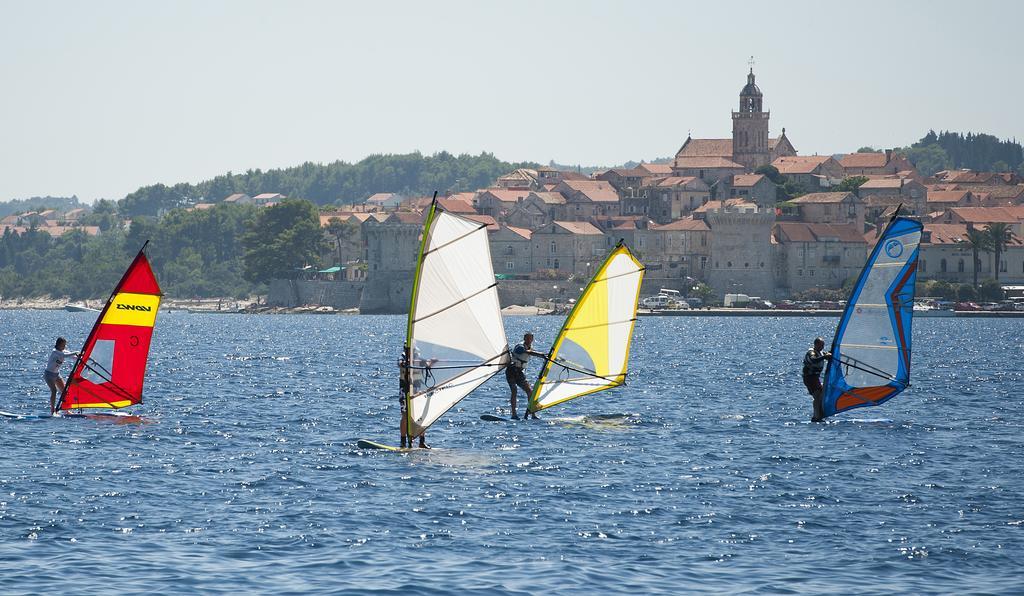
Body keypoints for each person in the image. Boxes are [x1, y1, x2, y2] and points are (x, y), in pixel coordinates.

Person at [398, 346, 431, 449]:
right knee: (405, 415)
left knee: (422, 416)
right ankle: (403, 442)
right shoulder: (402, 358)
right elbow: (400, 363)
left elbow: (427, 364)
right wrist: (408, 362)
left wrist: (432, 362)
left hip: (417, 390)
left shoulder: (419, 358)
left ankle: (422, 441)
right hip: (405, 390)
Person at [507, 332, 545, 420]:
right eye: (527, 338)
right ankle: (514, 415)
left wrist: (544, 356)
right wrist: (540, 355)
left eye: (530, 339)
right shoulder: (519, 346)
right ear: (524, 339)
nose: (528, 340)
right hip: (511, 371)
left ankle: (533, 414)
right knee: (514, 391)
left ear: (532, 339)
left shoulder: (530, 347)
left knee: (530, 392)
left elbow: (530, 352)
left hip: (519, 373)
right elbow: (525, 352)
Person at [44, 337, 78, 415]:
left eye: (65, 345)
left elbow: (74, 357)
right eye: (63, 345)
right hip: (49, 374)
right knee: (54, 390)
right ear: (58, 345)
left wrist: (86, 358)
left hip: (57, 374)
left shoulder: (63, 351)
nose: (64, 346)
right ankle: (52, 411)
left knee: (64, 391)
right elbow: (65, 355)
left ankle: (66, 410)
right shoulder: (55, 352)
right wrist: (76, 352)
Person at [802, 337, 832, 422]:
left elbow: (826, 355)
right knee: (817, 396)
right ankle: (816, 417)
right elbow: (813, 360)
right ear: (816, 344)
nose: (822, 347)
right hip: (809, 378)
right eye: (821, 345)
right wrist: (824, 357)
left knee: (822, 394)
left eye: (823, 345)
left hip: (815, 378)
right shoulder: (811, 353)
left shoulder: (821, 353)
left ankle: (820, 414)